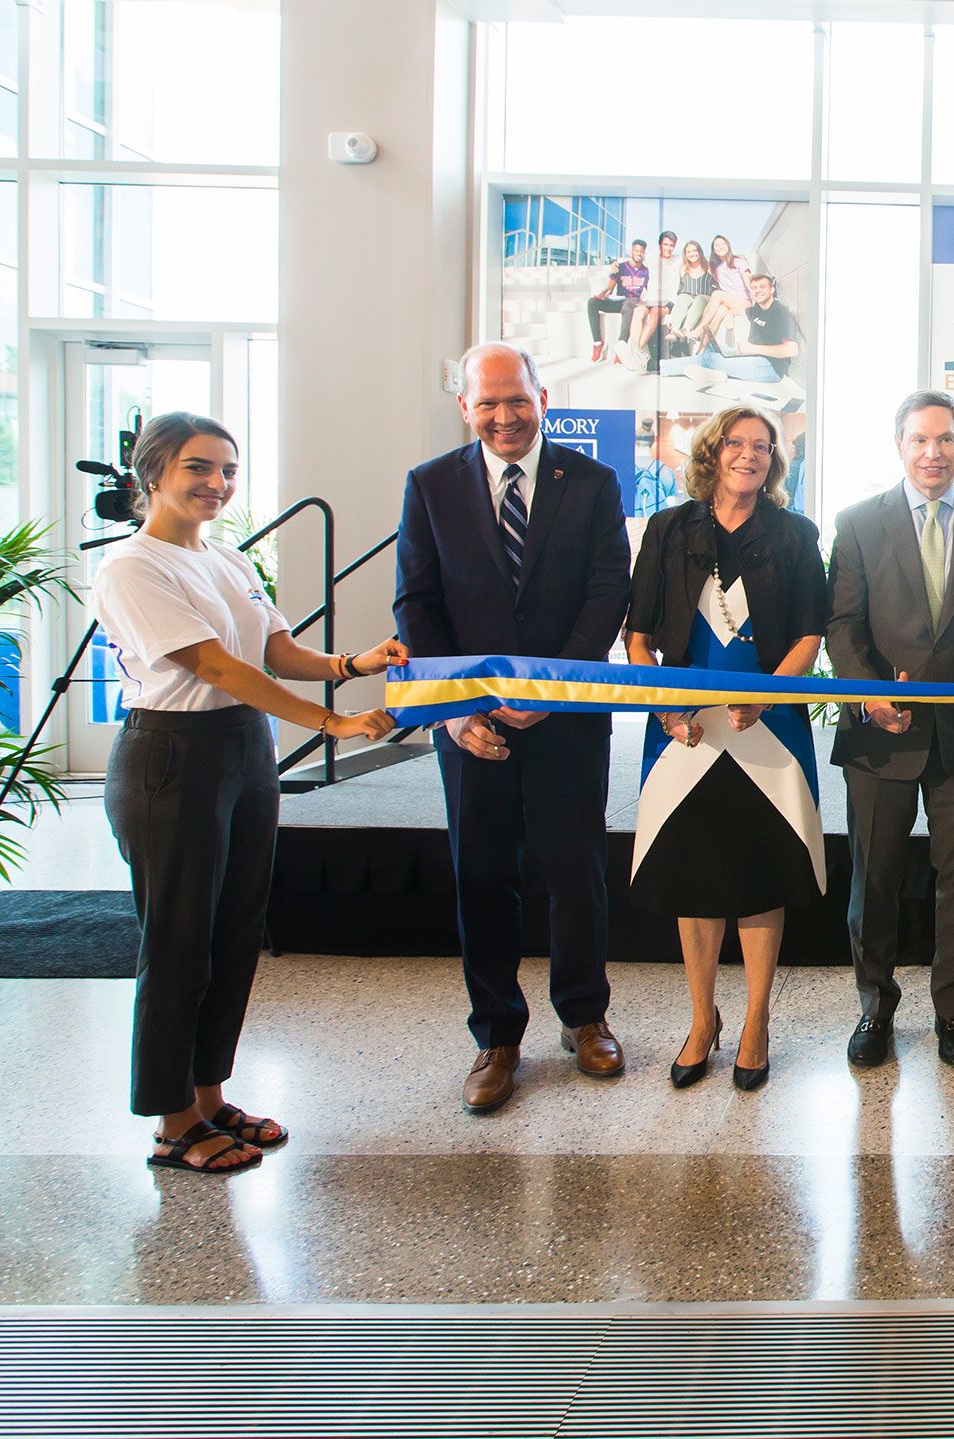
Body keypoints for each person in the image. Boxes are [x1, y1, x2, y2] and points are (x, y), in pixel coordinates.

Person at [93, 412, 403, 1173]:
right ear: (153, 474)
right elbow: (218, 668)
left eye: (227, 470)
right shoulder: (133, 566)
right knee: (177, 943)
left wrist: (351, 663)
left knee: (234, 934)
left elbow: (271, 650)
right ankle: (172, 1122)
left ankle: (208, 1093)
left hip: (242, 751)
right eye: (198, 468)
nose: (216, 483)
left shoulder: (228, 559)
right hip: (171, 756)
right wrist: (331, 723)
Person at [395, 342, 631, 1115]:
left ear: (543, 396)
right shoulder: (430, 486)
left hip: (566, 714)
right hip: (468, 724)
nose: (504, 416)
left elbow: (607, 592)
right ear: (464, 406)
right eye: (487, 402)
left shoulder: (591, 482)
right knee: (482, 875)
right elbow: (416, 605)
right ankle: (497, 1034)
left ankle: (583, 1017)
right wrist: (455, 707)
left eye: (516, 399)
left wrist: (554, 690)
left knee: (575, 872)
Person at [626, 405, 830, 1094]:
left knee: (761, 872)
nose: (751, 455)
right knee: (695, 873)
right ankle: (700, 1019)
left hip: (766, 725)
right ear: (712, 452)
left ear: (776, 459)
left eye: (763, 446)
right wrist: (663, 702)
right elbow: (640, 634)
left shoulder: (796, 533)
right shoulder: (667, 528)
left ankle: (755, 1021)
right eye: (737, 443)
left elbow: (810, 632)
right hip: (686, 727)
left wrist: (768, 696)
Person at [825, 390, 954, 1069]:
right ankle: (874, 1008)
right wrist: (868, 691)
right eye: (919, 440)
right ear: (899, 445)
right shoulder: (856, 522)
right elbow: (843, 624)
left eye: (944, 439)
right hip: (881, 730)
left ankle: (953, 1012)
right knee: (873, 880)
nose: (932, 452)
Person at [664, 273, 803, 385]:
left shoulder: (780, 312)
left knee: (709, 359)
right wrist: (729, 314)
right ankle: (715, 373)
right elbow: (737, 310)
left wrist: (754, 348)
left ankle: (663, 368)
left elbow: (792, 350)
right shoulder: (756, 309)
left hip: (770, 368)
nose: (757, 291)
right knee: (711, 349)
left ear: (772, 290)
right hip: (752, 357)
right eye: (754, 288)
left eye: (762, 287)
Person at [587, 239, 653, 365]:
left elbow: (650, 290)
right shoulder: (621, 267)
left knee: (629, 304)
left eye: (641, 251)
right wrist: (604, 293)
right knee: (592, 302)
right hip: (619, 300)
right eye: (636, 250)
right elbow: (610, 289)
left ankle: (621, 347)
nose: (639, 253)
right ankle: (598, 343)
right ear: (632, 251)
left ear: (644, 253)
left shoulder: (646, 271)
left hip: (633, 302)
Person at [626, 231, 681, 357]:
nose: (668, 248)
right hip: (650, 298)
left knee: (656, 312)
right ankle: (635, 350)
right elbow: (633, 261)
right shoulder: (651, 258)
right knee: (638, 312)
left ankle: (636, 352)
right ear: (660, 244)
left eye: (671, 245)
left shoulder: (678, 259)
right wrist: (615, 266)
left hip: (669, 300)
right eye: (665, 244)